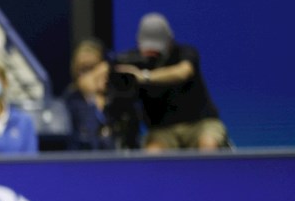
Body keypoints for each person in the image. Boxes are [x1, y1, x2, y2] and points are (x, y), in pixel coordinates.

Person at [114, 13, 227, 152]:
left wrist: (144, 76)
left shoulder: (185, 52)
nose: (153, 52)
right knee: (153, 153)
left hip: (200, 123)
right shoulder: (132, 61)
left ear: (170, 40)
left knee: (208, 145)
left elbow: (184, 71)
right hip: (162, 130)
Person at [63, 38, 116, 150]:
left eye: (92, 68)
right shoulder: (70, 100)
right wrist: (91, 98)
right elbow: (90, 141)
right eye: (83, 70)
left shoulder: (115, 97)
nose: (88, 76)